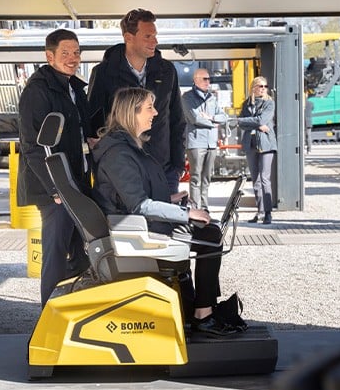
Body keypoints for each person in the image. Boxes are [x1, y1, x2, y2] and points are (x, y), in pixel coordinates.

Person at [92, 87, 239, 337]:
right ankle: (203, 313)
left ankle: (196, 307)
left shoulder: (128, 146)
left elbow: (132, 195)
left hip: (138, 222)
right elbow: (138, 205)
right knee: (209, 236)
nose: (156, 112)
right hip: (134, 229)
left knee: (210, 230)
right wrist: (186, 214)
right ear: (132, 113)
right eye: (149, 107)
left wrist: (172, 199)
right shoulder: (119, 152)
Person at [18, 29, 92, 306]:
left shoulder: (74, 87)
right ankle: (48, 315)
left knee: (80, 252)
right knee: (56, 252)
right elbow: (32, 146)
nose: (73, 58)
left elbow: (84, 133)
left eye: (76, 52)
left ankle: (71, 313)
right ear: (49, 56)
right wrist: (55, 189)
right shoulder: (38, 90)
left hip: (75, 183)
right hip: (55, 190)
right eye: (65, 53)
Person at [87, 8, 185, 193]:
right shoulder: (103, 73)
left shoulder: (167, 71)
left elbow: (177, 120)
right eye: (147, 36)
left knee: (164, 221)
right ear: (128, 38)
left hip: (163, 170)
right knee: (130, 222)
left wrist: (177, 168)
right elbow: (94, 125)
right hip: (121, 171)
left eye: (155, 35)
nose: (154, 41)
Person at [181, 68, 227, 211]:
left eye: (209, 79)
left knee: (206, 178)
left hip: (211, 143)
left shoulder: (212, 98)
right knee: (195, 177)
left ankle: (205, 208)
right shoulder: (187, 97)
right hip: (196, 142)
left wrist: (211, 118)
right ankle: (196, 209)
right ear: (195, 80)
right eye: (204, 79)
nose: (208, 82)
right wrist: (213, 124)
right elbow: (194, 118)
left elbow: (224, 117)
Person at [237, 76, 277, 225]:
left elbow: (261, 120)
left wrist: (252, 122)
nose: (263, 89)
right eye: (260, 86)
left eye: (265, 86)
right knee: (256, 180)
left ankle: (267, 213)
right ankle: (259, 211)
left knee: (265, 179)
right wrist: (256, 124)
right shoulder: (246, 104)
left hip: (266, 144)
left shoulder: (269, 103)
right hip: (251, 143)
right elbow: (240, 123)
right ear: (253, 87)